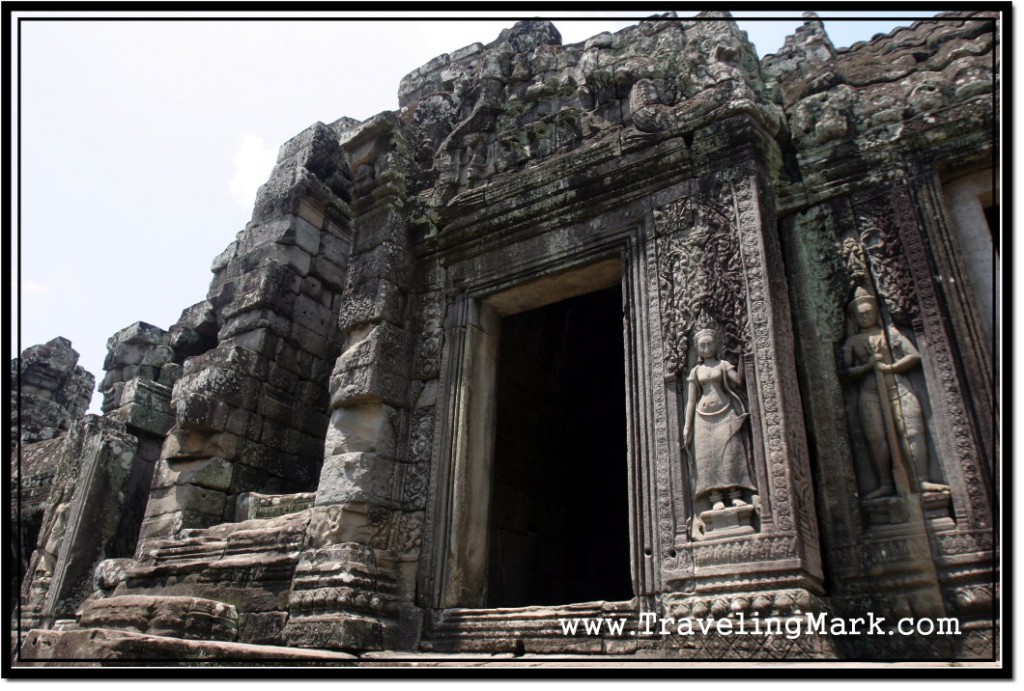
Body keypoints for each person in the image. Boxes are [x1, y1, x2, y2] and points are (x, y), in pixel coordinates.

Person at [841, 287, 943, 498]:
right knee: (877, 438)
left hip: (898, 386)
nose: (865, 316)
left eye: (869, 312)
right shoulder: (853, 342)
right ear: (854, 318)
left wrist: (891, 368)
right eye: (861, 315)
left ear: (877, 312)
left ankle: (922, 479)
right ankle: (886, 482)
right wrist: (867, 366)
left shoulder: (890, 333)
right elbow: (846, 371)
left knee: (912, 432)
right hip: (870, 393)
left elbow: (913, 355)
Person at [682, 326, 756, 511]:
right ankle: (715, 498)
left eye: (709, 344)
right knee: (708, 458)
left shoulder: (723, 365)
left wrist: (742, 357)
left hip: (725, 413)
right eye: (702, 345)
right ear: (697, 348)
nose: (706, 348)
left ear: (716, 345)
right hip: (702, 418)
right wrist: (687, 426)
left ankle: (735, 494)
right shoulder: (696, 371)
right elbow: (691, 400)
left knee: (730, 453)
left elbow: (738, 382)